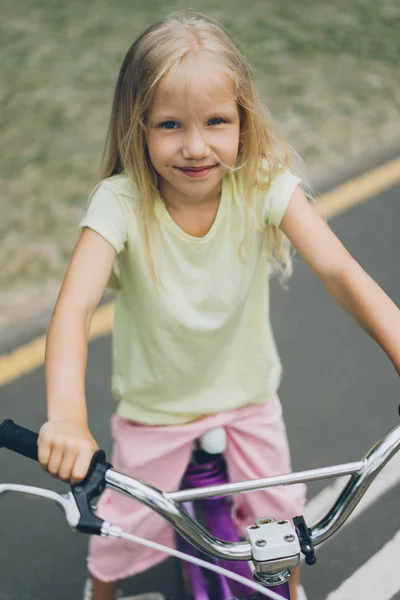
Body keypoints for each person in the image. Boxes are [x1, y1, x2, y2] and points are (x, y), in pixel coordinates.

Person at [38, 10, 400, 600]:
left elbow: (337, 268)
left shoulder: (259, 181)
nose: (196, 146)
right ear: (138, 126)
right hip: (155, 413)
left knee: (283, 524)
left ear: (243, 121)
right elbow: (73, 311)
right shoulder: (120, 203)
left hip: (246, 402)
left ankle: (291, 591)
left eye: (216, 121)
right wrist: (68, 419)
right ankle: (98, 591)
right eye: (171, 125)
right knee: (118, 533)